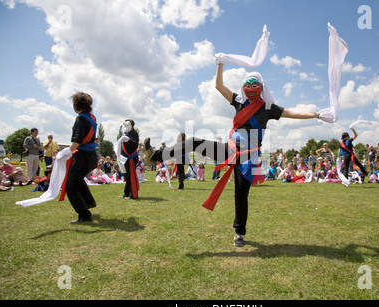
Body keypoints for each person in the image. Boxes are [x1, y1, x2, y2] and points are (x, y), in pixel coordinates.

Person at [143, 64, 320, 247]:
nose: (251, 89)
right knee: (193, 141)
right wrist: (220, 64)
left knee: (241, 195)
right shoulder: (239, 102)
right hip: (230, 150)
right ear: (243, 87)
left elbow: (292, 113)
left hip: (248, 157)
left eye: (255, 85)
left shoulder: (268, 108)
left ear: (261, 87)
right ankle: (154, 156)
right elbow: (219, 86)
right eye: (247, 85)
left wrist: (317, 114)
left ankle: (239, 233)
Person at [57, 92, 98, 223]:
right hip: (91, 156)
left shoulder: (81, 118)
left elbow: (77, 141)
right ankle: (89, 201)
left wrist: (65, 152)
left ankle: (84, 214)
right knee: (78, 180)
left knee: (71, 187)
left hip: (82, 156)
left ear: (77, 105)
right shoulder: (92, 118)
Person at [121, 119, 139, 200]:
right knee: (126, 176)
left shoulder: (134, 134)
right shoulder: (126, 134)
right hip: (125, 158)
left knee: (131, 176)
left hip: (131, 158)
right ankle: (126, 193)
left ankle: (132, 194)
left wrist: (128, 140)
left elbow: (135, 144)